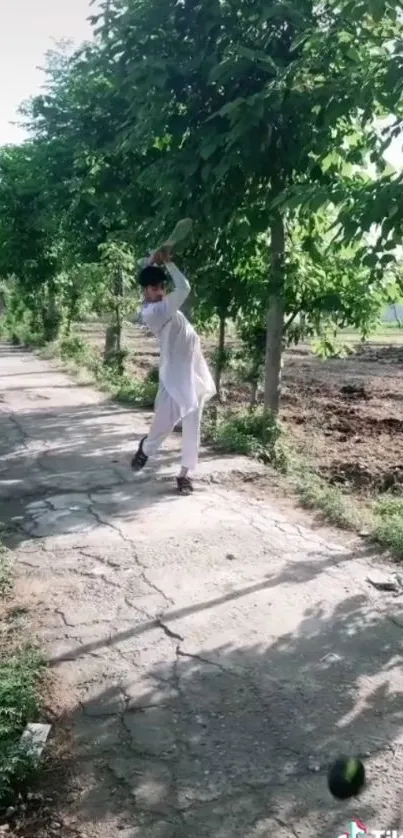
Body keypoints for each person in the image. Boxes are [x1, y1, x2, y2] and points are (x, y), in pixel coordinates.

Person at [131, 247, 216, 494]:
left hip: (194, 373)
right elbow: (185, 287)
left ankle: (184, 474)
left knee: (193, 425)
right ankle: (146, 449)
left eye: (161, 287)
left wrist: (153, 260)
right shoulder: (156, 311)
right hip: (174, 378)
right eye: (154, 288)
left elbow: (144, 266)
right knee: (163, 425)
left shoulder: (161, 304)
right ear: (146, 292)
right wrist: (167, 262)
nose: (159, 291)